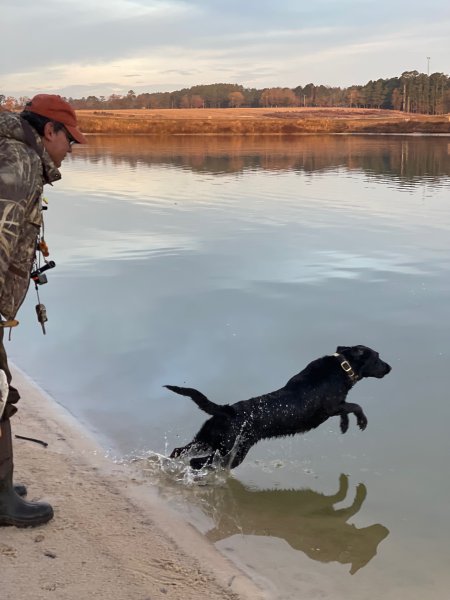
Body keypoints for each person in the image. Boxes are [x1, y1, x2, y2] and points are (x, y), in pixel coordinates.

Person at [0, 94, 87, 527]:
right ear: (49, 130)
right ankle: (0, 502)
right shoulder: (18, 163)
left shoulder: (14, 154)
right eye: (68, 140)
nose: (69, 151)